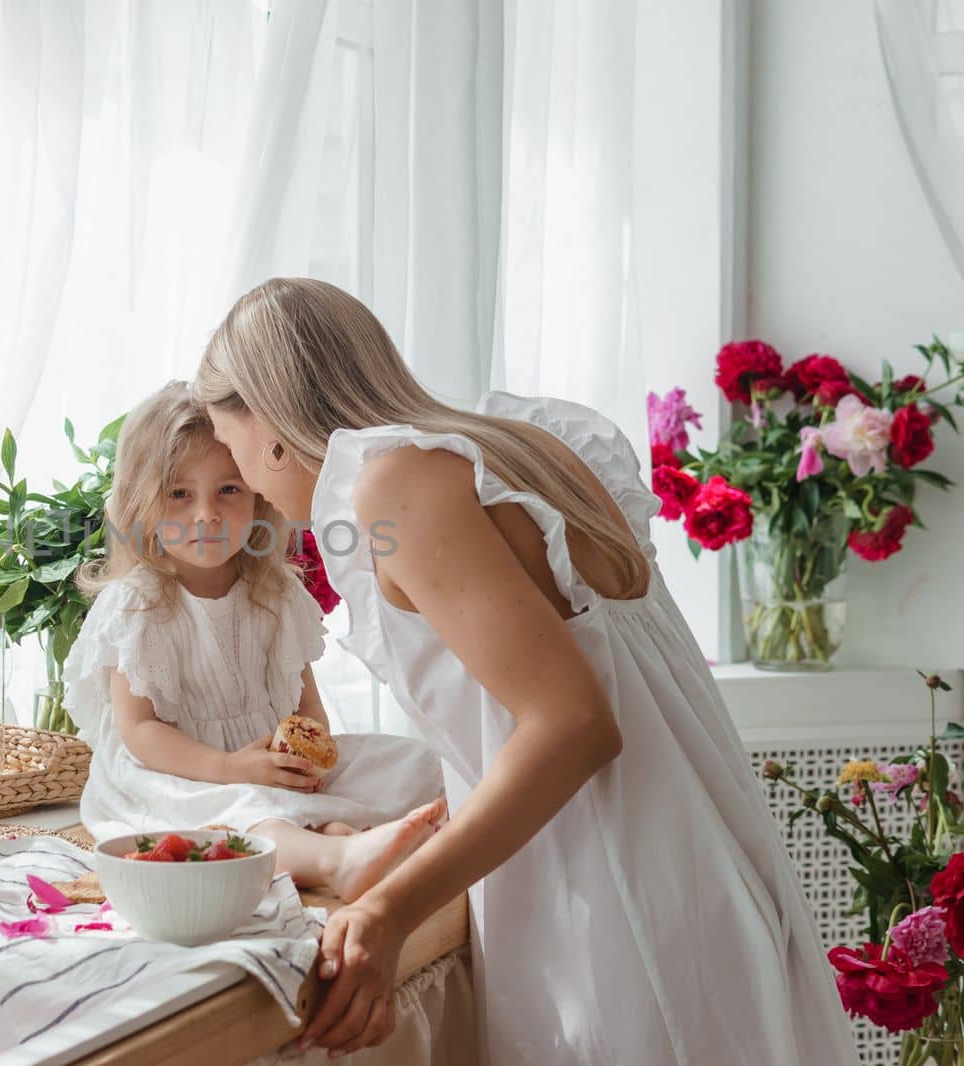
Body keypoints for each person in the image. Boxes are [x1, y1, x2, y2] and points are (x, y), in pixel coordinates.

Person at [193, 277, 858, 1064]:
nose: (260, 496)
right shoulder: (520, 447)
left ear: (267, 429)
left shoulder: (396, 485)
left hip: (614, 909)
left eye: (235, 456)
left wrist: (386, 914)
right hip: (698, 874)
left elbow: (573, 726)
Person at [65, 382, 446, 901]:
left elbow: (305, 700)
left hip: (265, 760)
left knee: (415, 764)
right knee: (245, 817)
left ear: (258, 494)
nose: (207, 514)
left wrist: (307, 757)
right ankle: (337, 859)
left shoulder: (274, 593)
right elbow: (140, 731)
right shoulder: (140, 603)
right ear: (141, 502)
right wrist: (227, 769)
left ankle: (339, 834)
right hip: (178, 770)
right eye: (180, 494)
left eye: (229, 490)